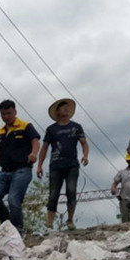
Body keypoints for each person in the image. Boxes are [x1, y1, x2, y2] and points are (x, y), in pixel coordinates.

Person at [0, 99, 41, 236]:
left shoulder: (25, 126)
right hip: (4, 171)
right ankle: (8, 226)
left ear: (15, 112)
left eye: (8, 113)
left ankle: (18, 230)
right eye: (3, 114)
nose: (6, 117)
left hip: (22, 169)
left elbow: (35, 140)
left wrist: (34, 153)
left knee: (13, 199)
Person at [37, 98, 89, 231]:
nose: (66, 109)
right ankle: (49, 223)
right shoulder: (51, 129)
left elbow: (84, 143)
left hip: (72, 165)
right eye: (63, 107)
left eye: (67, 107)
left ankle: (70, 220)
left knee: (71, 191)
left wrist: (85, 155)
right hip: (56, 165)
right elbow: (44, 147)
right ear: (57, 111)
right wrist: (39, 165)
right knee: (53, 194)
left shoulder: (76, 127)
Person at [111, 154, 130, 223]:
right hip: (124, 199)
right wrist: (113, 188)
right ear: (127, 161)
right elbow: (115, 183)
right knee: (125, 221)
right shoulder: (122, 172)